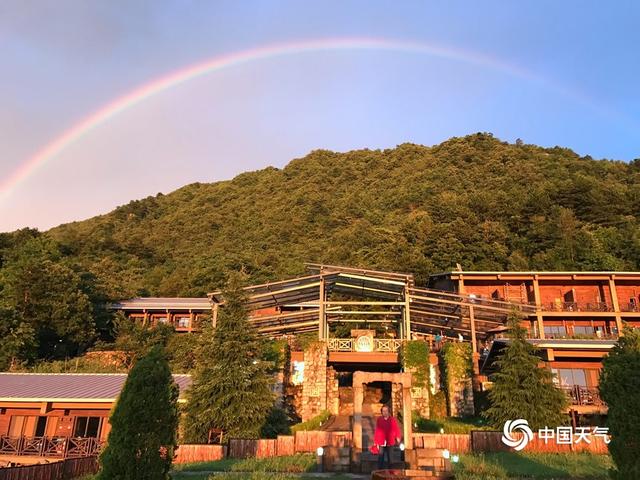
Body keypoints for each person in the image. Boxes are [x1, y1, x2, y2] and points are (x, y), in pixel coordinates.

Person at [373, 405, 401, 469]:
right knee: (380, 457)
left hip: (390, 440)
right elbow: (377, 430)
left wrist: (397, 437)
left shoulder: (392, 419)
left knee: (390, 458)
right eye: (383, 411)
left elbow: (396, 429)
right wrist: (375, 441)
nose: (384, 412)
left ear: (388, 412)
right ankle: (379, 473)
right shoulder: (379, 419)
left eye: (386, 411)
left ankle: (391, 473)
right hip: (381, 441)